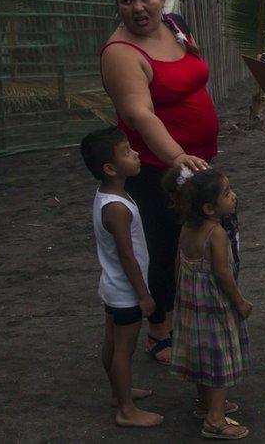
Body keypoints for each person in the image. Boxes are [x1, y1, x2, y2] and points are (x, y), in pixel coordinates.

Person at [101, 0, 218, 366]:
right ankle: (158, 329)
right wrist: (176, 157)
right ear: (117, 5)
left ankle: (181, 316)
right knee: (161, 246)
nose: (138, 7)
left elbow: (194, 71)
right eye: (126, 0)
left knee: (194, 242)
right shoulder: (120, 53)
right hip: (157, 169)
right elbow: (139, 114)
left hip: (195, 162)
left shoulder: (175, 23)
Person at [79, 127, 163, 428]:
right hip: (126, 292)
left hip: (113, 287)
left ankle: (119, 393)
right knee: (123, 351)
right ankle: (126, 410)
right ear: (110, 168)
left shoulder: (109, 194)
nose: (136, 153)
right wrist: (143, 294)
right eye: (127, 152)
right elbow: (127, 256)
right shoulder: (116, 208)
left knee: (112, 344)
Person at [164, 167, 253, 440]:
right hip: (215, 308)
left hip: (192, 305)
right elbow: (222, 274)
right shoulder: (216, 233)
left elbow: (179, 265)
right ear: (209, 207)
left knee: (201, 357)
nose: (233, 197)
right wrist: (239, 302)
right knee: (219, 362)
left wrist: (182, 299)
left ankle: (206, 404)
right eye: (227, 194)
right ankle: (215, 420)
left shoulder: (186, 229)